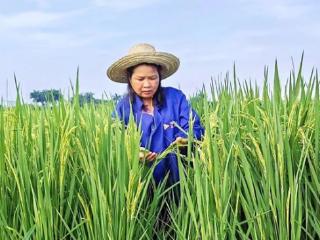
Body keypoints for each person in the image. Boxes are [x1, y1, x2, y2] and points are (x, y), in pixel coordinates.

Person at [107, 43, 204, 232]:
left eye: (152, 78)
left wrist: (186, 139)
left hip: (179, 182)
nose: (147, 84)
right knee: (149, 228)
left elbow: (195, 127)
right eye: (140, 78)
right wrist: (134, 152)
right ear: (129, 78)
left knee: (179, 227)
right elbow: (114, 139)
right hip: (142, 187)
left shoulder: (176, 98)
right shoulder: (123, 108)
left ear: (160, 76)